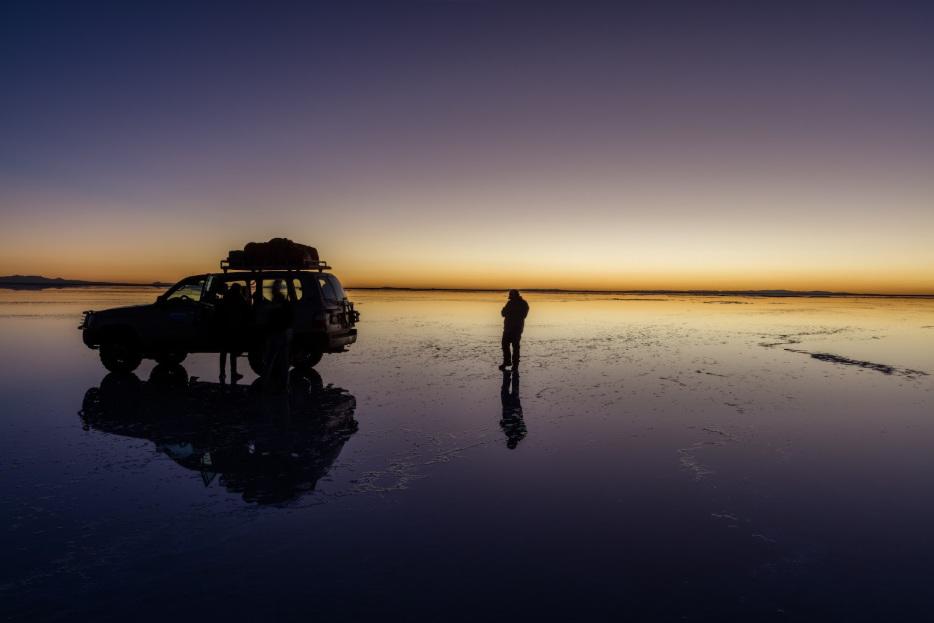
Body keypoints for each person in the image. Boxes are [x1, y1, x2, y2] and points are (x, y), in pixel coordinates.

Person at [262, 279, 294, 392]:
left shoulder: (275, 302)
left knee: (270, 360)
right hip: (284, 333)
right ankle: (284, 385)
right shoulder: (284, 302)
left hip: (277, 334)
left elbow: (270, 319)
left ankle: (265, 384)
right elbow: (290, 317)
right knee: (283, 361)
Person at [219, 282, 250, 382]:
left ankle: (222, 373)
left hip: (224, 327)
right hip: (235, 327)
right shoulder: (240, 298)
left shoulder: (226, 297)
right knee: (233, 352)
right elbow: (246, 308)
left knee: (223, 352)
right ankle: (233, 372)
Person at [499, 289, 529, 371]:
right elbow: (503, 313)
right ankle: (507, 362)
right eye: (510, 295)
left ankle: (515, 365)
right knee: (505, 345)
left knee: (515, 347)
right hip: (508, 328)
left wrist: (510, 312)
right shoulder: (510, 303)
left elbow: (523, 315)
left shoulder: (523, 303)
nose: (510, 296)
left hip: (516, 329)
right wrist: (509, 311)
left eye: (511, 295)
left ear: (515, 295)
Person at [500, 370, 527, 449]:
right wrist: (515, 418)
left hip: (506, 408)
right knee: (515, 389)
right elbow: (521, 423)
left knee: (504, 390)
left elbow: (503, 424)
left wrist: (502, 424)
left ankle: (507, 373)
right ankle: (515, 373)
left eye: (509, 442)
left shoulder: (508, 434)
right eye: (511, 442)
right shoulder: (521, 435)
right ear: (515, 443)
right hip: (515, 408)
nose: (509, 441)